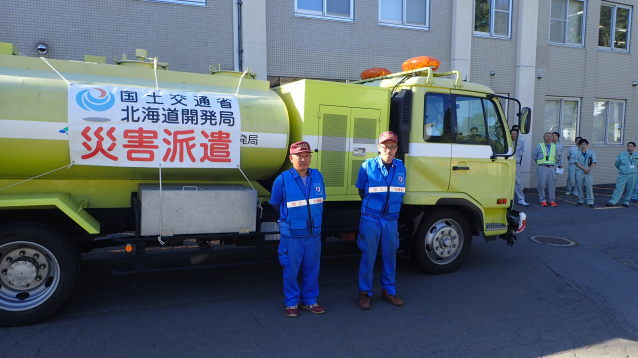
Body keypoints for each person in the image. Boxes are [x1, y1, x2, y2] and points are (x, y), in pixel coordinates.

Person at [270, 141, 326, 318]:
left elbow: (320, 201)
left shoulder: (317, 176)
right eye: (299, 156)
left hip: (313, 233)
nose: (303, 159)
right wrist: (288, 219)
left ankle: (310, 301)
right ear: (291, 158)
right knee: (291, 269)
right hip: (292, 235)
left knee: (312, 268)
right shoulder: (283, 179)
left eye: (307, 155)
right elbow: (275, 204)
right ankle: (292, 302)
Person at [356, 131, 406, 310]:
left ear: (396, 149)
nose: (389, 150)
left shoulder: (401, 167)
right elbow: (362, 191)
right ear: (379, 148)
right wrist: (374, 209)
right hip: (371, 219)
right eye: (385, 146)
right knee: (368, 256)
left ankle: (389, 291)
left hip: (391, 220)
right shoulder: (367, 166)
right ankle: (364, 293)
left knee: (390, 256)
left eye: (392, 147)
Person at [606, 142, 638, 208]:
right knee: (618, 188)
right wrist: (622, 169)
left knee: (630, 189)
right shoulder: (621, 154)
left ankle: (626, 202)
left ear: (634, 147)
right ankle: (613, 201)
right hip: (623, 174)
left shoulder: (637, 155)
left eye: (631, 146)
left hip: (633, 174)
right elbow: (617, 164)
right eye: (628, 146)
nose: (629, 147)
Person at [533, 132, 560, 207]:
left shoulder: (555, 146)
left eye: (550, 136)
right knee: (541, 184)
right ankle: (542, 200)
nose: (548, 137)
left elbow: (557, 157)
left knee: (552, 185)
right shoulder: (539, 146)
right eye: (547, 136)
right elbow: (534, 156)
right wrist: (541, 163)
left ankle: (551, 200)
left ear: (552, 138)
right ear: (543, 137)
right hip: (542, 167)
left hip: (552, 168)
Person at [574, 138, 597, 208]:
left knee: (589, 187)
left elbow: (594, 161)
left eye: (585, 144)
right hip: (579, 171)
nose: (583, 146)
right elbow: (576, 163)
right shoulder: (576, 153)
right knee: (579, 187)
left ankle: (590, 202)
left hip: (588, 172)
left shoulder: (591, 152)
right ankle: (580, 201)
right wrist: (584, 169)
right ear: (579, 145)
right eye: (581, 144)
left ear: (587, 145)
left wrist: (589, 169)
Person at [511, 128, 529, 206]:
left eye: (515, 134)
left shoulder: (521, 142)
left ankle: (521, 199)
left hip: (516, 164)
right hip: (506, 164)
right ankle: (509, 199)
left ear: (517, 135)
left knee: (518, 182)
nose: (513, 135)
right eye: (512, 134)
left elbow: (520, 153)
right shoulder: (507, 142)